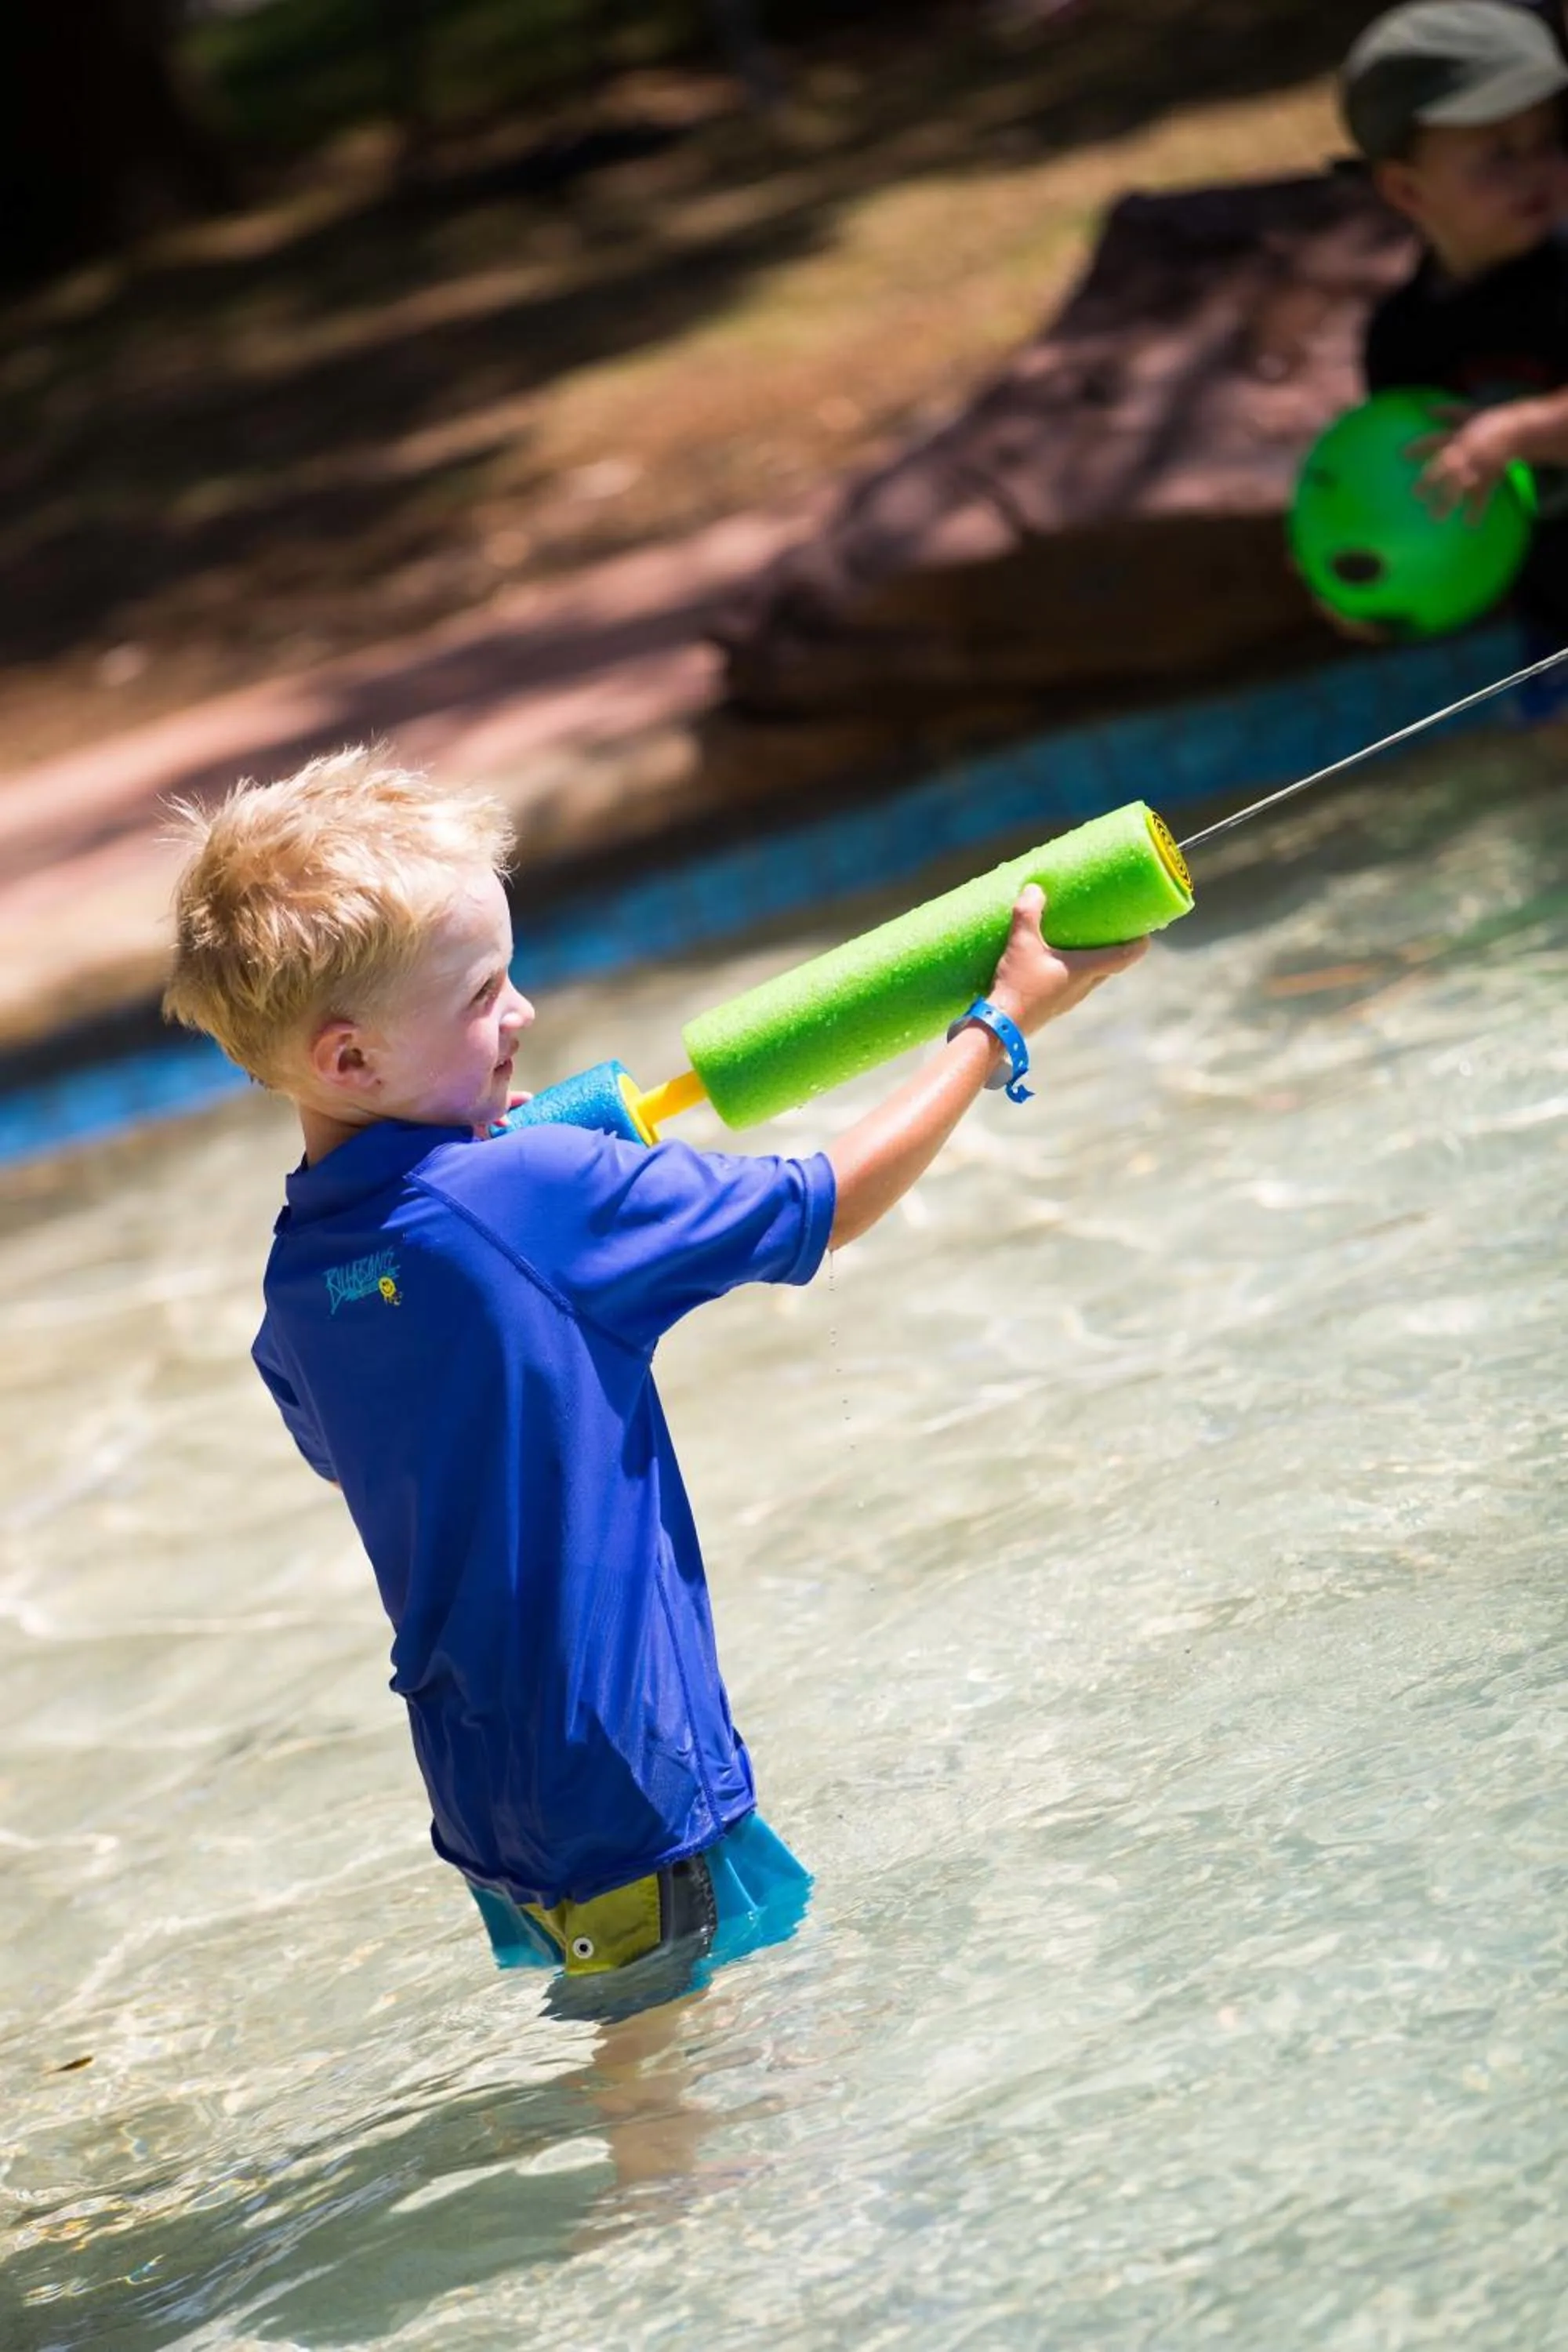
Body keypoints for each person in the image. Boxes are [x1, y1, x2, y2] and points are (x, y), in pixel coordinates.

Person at [162, 748, 1145, 2013]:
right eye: (481, 998)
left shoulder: (304, 1270)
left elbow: (343, 1425)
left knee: (692, 2054)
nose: (520, 1015)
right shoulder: (530, 1195)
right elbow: (830, 1204)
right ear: (349, 1061)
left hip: (487, 1777)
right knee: (686, 2126)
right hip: (625, 1765)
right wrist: (995, 1028)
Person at [1340, 0, 1568, 651]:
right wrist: (1368, 576)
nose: (1536, 169)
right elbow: (1419, 495)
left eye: (1548, 141)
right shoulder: (1404, 338)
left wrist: (1521, 430)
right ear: (1408, 191)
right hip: (1553, 631)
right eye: (1498, 155)